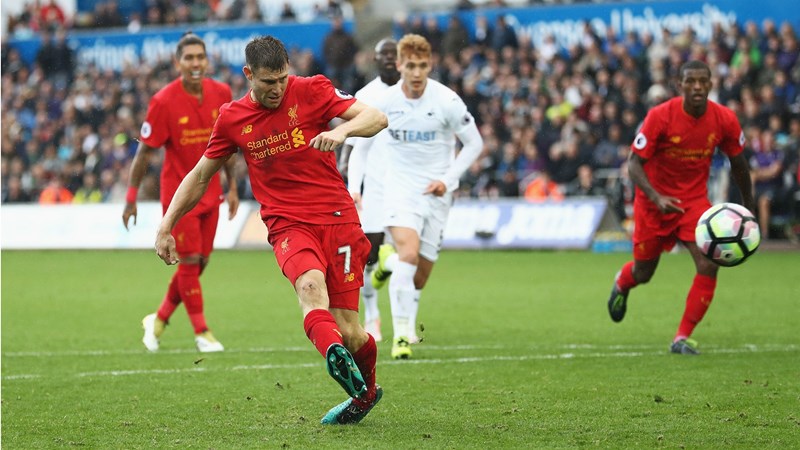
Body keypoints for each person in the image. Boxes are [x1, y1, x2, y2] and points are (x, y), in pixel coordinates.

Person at [154, 35, 387, 425]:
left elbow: (376, 117)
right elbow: (199, 176)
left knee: (352, 331)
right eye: (267, 82)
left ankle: (363, 394)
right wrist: (166, 225)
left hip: (339, 219)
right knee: (310, 289)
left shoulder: (312, 89)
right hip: (288, 224)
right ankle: (334, 358)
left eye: (281, 79)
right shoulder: (231, 118)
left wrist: (342, 132)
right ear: (249, 75)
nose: (277, 88)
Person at [606, 60, 755, 355]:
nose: (698, 86)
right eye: (691, 81)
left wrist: (747, 210)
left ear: (711, 84)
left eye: (703, 81)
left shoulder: (724, 119)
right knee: (644, 272)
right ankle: (622, 283)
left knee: (709, 263)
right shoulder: (660, 116)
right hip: (653, 204)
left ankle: (682, 338)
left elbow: (739, 164)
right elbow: (634, 164)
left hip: (693, 204)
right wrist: (656, 197)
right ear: (681, 85)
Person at [358, 34, 483, 359]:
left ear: (431, 65)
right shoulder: (384, 102)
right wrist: (353, 188)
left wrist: (447, 179)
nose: (416, 73)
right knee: (409, 255)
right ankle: (401, 338)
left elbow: (475, 144)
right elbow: (362, 146)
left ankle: (388, 263)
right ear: (400, 65)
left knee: (419, 274)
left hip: (438, 194)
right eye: (410, 66)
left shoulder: (447, 101)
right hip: (398, 189)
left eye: (422, 66)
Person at [123, 32, 239, 353]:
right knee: (188, 263)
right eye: (189, 58)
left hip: (212, 191)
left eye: (200, 57)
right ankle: (202, 332)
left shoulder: (222, 93)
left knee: (199, 264)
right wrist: (131, 196)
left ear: (207, 59)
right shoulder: (163, 102)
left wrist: (231, 187)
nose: (195, 63)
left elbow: (227, 147)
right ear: (178, 63)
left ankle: (158, 321)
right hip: (179, 196)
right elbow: (144, 153)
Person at [341, 38, 401, 342]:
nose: (390, 59)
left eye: (395, 55)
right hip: (376, 192)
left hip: (408, 191)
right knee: (372, 257)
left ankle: (403, 324)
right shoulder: (367, 96)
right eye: (384, 55)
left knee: (407, 261)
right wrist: (354, 186)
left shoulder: (417, 92)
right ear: (375, 60)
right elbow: (355, 150)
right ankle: (374, 319)